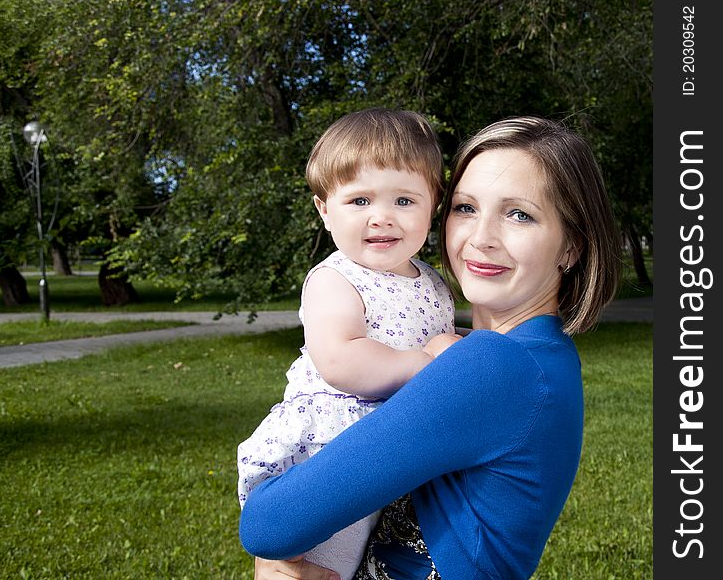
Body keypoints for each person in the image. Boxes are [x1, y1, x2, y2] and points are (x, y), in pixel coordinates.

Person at [239, 115, 622, 580]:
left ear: (571, 247)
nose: (481, 238)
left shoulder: (491, 366)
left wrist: (278, 560)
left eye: (519, 214)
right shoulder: (544, 356)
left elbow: (268, 526)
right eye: (465, 208)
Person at [236, 108, 459, 580]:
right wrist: (426, 364)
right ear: (324, 209)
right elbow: (341, 358)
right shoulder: (335, 279)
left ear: (432, 204)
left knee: (373, 562)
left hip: (395, 443)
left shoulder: (433, 282)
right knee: (317, 566)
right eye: (359, 201)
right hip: (334, 446)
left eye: (404, 200)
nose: (382, 217)